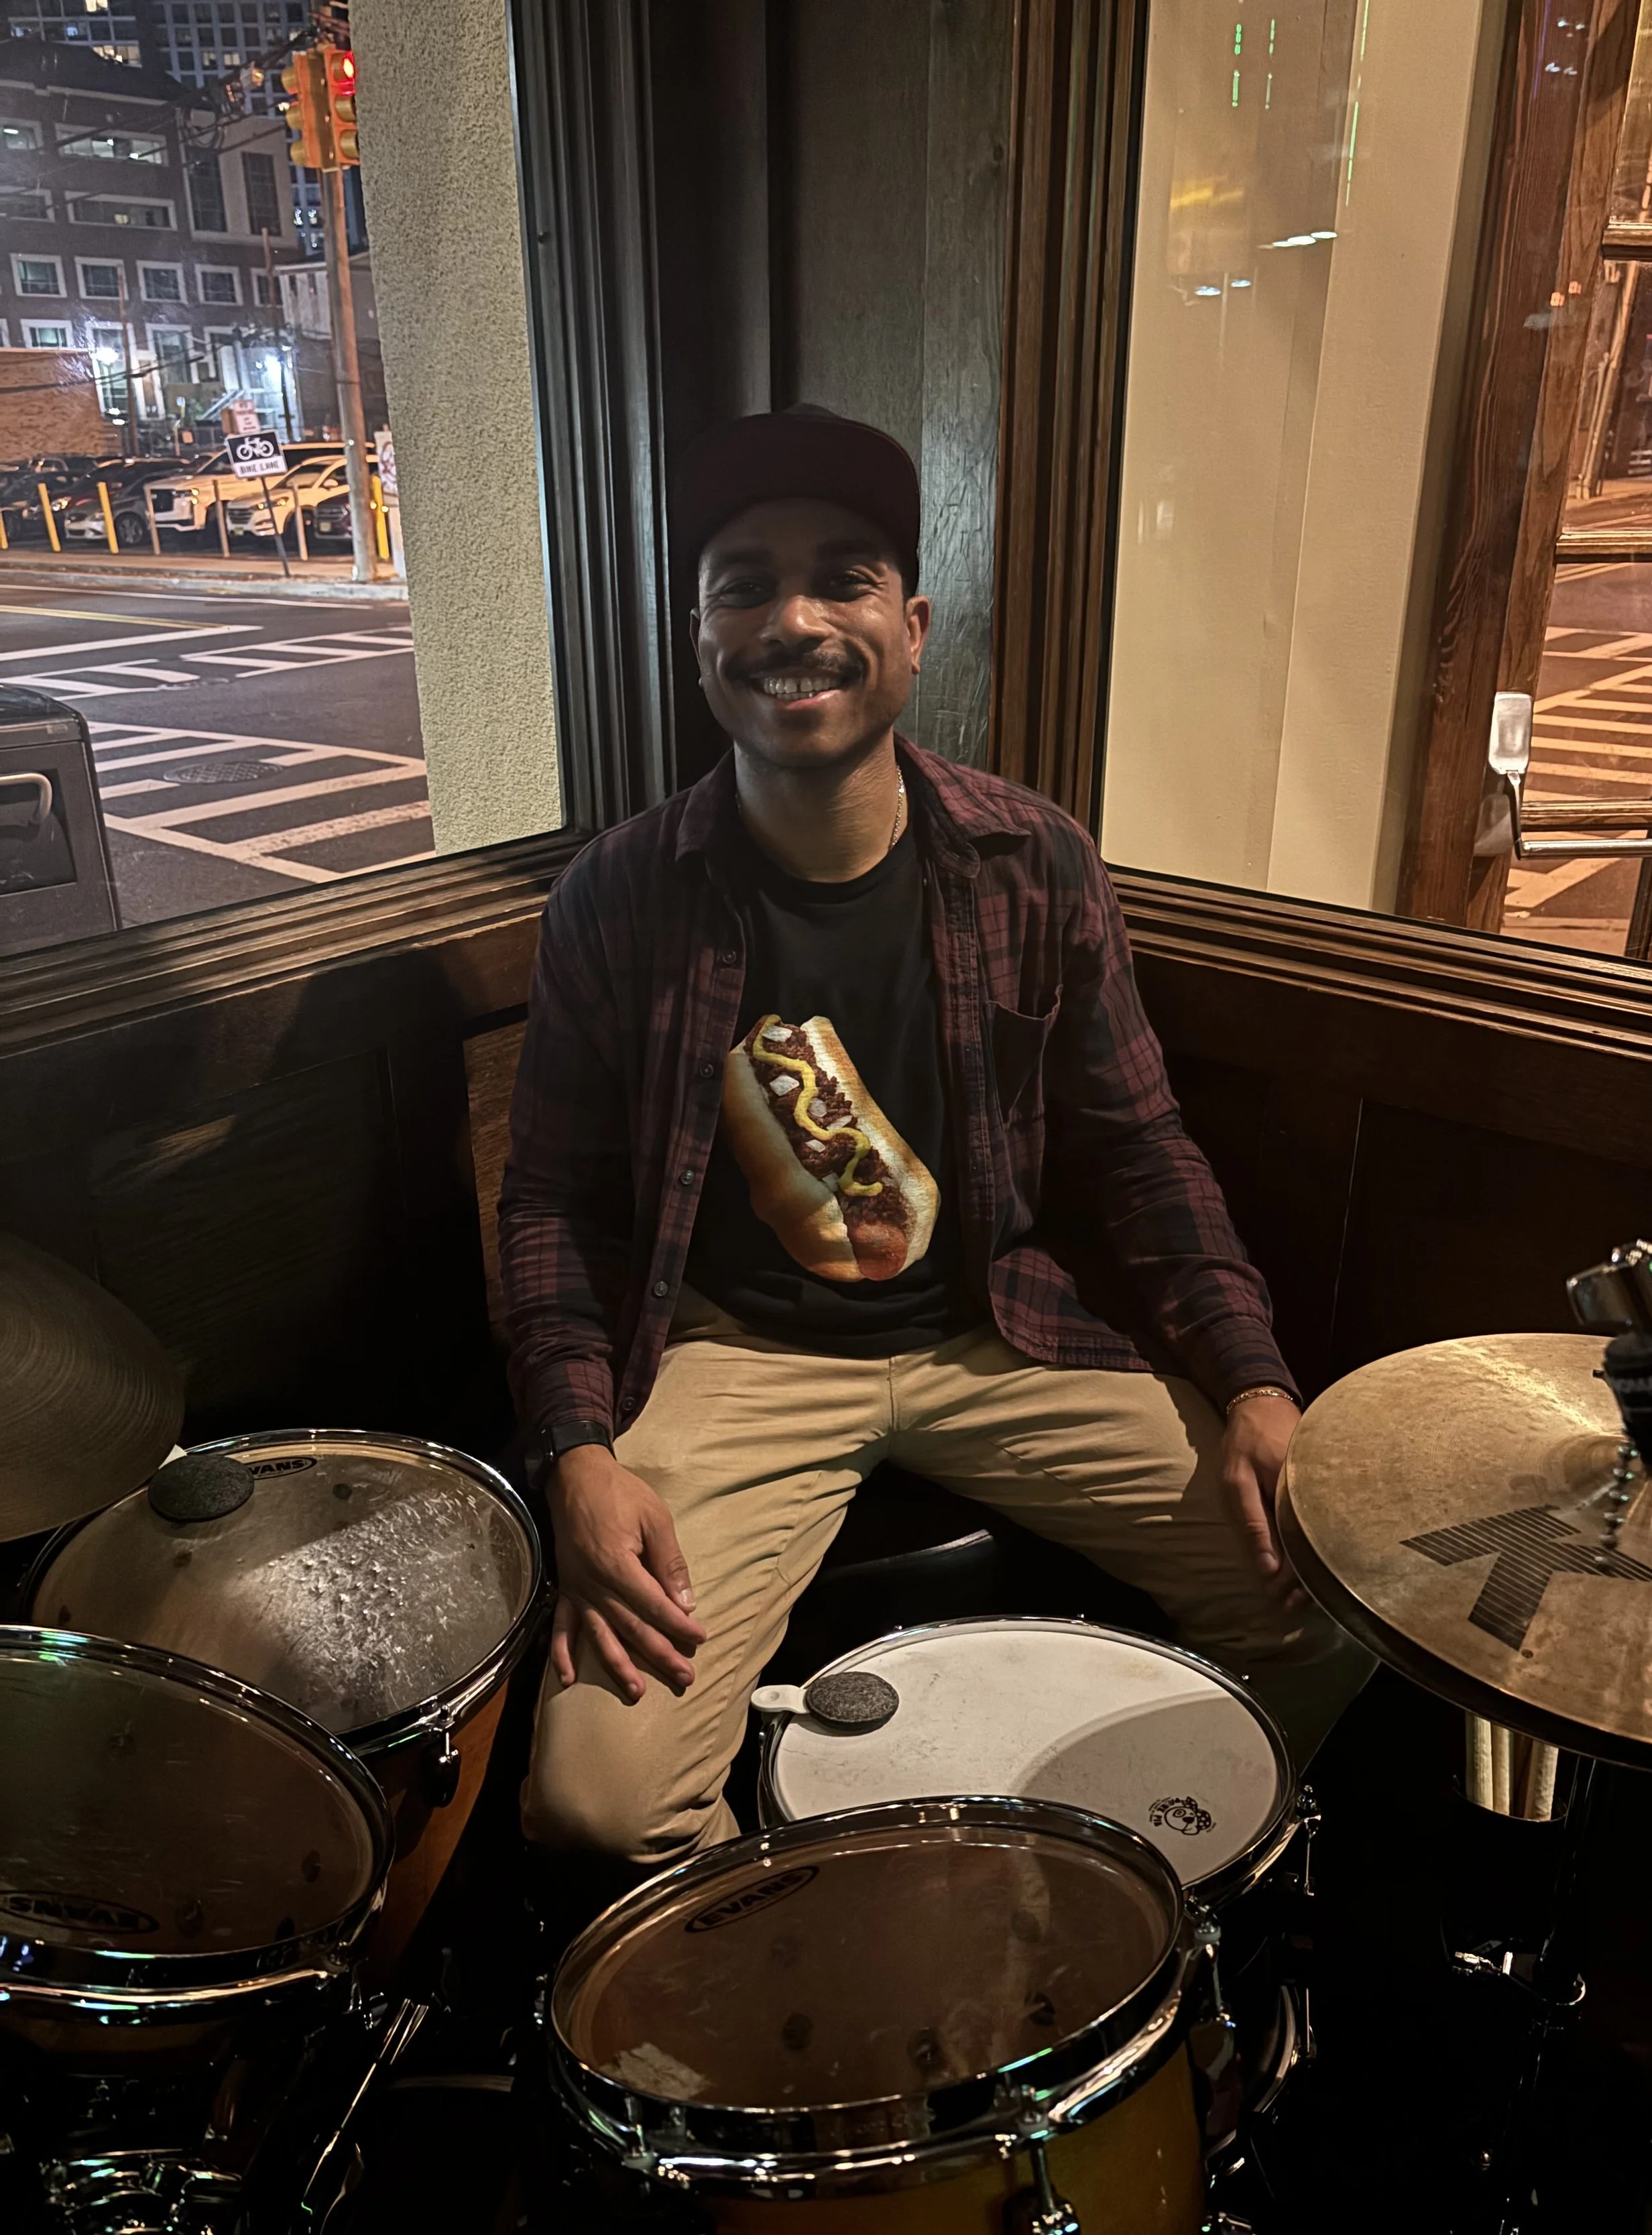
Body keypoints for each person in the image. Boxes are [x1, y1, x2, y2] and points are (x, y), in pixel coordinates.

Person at [501, 406, 1368, 1868]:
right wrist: (576, 1453)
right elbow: (548, 1205)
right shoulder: (618, 895)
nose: (792, 619)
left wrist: (1254, 1382)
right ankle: (817, 1964)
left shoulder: (1031, 861)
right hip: (732, 1354)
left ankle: (1124, 1898)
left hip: (998, 1328)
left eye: (840, 578)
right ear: (696, 636)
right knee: (598, 1797)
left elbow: (1140, 1150)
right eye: (741, 582)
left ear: (908, 627)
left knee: (1335, 1595)